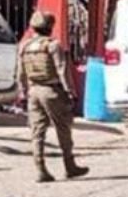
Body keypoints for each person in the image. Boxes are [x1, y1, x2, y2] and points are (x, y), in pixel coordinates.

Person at [18, 11, 89, 183]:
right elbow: (62, 70)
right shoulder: (53, 45)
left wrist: (22, 92)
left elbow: (20, 73)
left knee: (37, 131)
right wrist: (70, 92)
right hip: (52, 91)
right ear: (50, 27)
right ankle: (69, 165)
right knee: (62, 128)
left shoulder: (25, 47)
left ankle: (40, 168)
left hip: (33, 91)